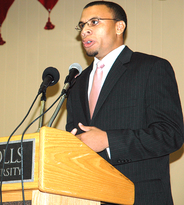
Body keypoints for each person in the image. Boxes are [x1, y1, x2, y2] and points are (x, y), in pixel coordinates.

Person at [66, 1, 184, 204]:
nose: (85, 31)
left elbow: (170, 134)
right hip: (87, 196)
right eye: (82, 25)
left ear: (119, 26)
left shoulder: (152, 68)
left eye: (94, 22)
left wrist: (108, 140)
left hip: (140, 196)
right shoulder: (76, 83)